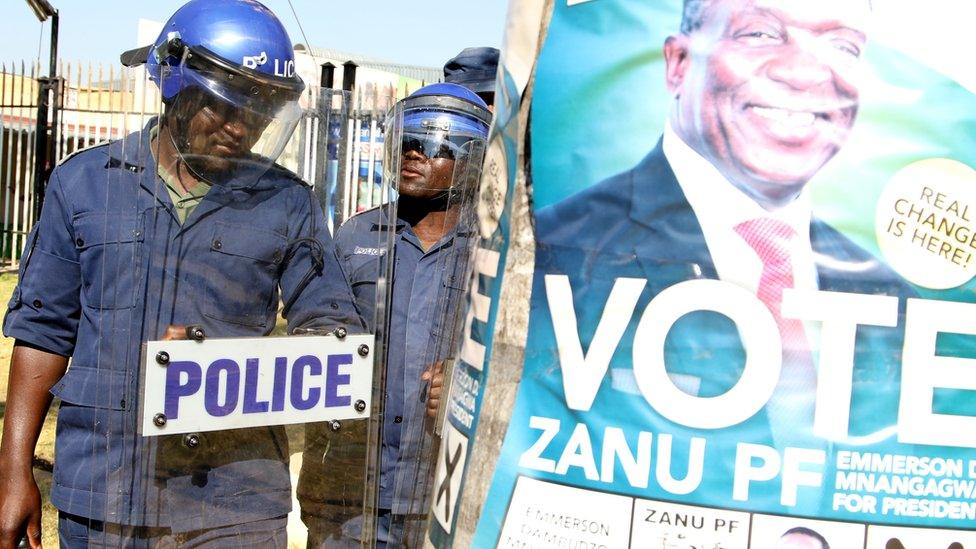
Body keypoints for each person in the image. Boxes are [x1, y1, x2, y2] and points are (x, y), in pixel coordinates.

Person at [0, 1, 362, 547]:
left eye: (260, 112)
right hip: (104, 495)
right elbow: (42, 331)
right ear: (174, 86)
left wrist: (226, 363)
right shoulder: (83, 185)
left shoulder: (288, 204)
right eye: (223, 107)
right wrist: (14, 473)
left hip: (233, 505)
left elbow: (335, 335)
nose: (241, 128)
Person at [533, 0, 910, 510]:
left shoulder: (896, 296)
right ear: (678, 64)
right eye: (760, 34)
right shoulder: (555, 252)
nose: (804, 73)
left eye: (842, 46)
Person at [298, 83, 491, 547]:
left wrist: (470, 383)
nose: (414, 153)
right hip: (347, 493)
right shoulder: (355, 235)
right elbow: (313, 329)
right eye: (406, 141)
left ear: (473, 159)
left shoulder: (492, 251)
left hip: (441, 496)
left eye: (436, 145)